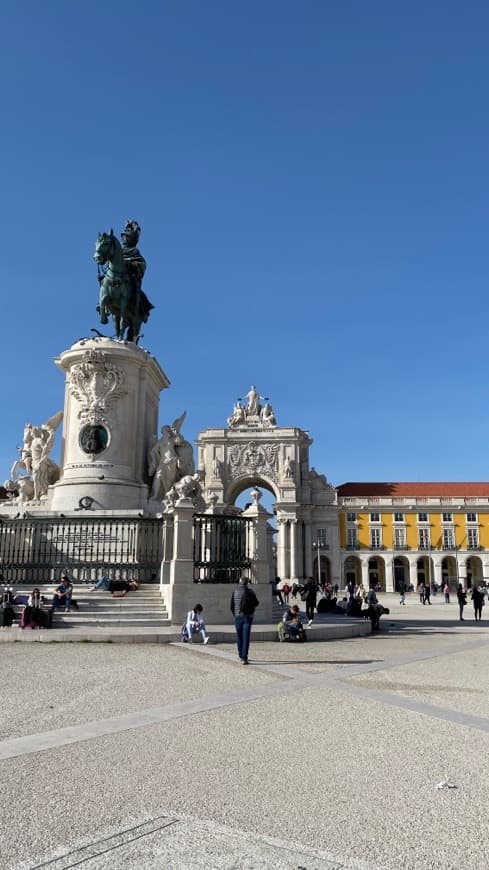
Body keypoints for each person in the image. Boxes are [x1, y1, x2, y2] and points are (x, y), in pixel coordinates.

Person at [230, 577, 259, 664]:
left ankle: (240, 655)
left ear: (239, 583)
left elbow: (231, 605)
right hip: (247, 617)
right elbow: (257, 603)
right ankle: (244, 657)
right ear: (247, 583)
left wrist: (235, 614)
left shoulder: (235, 592)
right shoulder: (250, 592)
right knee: (246, 637)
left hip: (237, 617)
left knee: (239, 637)